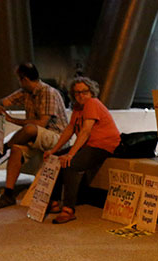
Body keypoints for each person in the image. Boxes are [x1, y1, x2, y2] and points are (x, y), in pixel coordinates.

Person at [0, 62, 68, 210]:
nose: (18, 82)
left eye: (19, 78)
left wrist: (12, 120)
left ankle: (2, 150)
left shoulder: (48, 92)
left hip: (57, 137)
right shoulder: (25, 91)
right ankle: (8, 193)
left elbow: (42, 124)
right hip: (36, 137)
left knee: (30, 128)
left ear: (24, 79)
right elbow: (2, 101)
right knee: (17, 149)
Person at [44, 77, 121, 224]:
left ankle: (69, 209)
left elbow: (85, 131)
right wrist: (53, 151)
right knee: (55, 159)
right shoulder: (78, 108)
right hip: (89, 144)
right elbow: (69, 130)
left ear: (91, 92)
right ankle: (53, 202)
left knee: (71, 164)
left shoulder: (92, 103)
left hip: (103, 144)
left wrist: (71, 154)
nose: (81, 95)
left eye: (84, 91)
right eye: (77, 92)